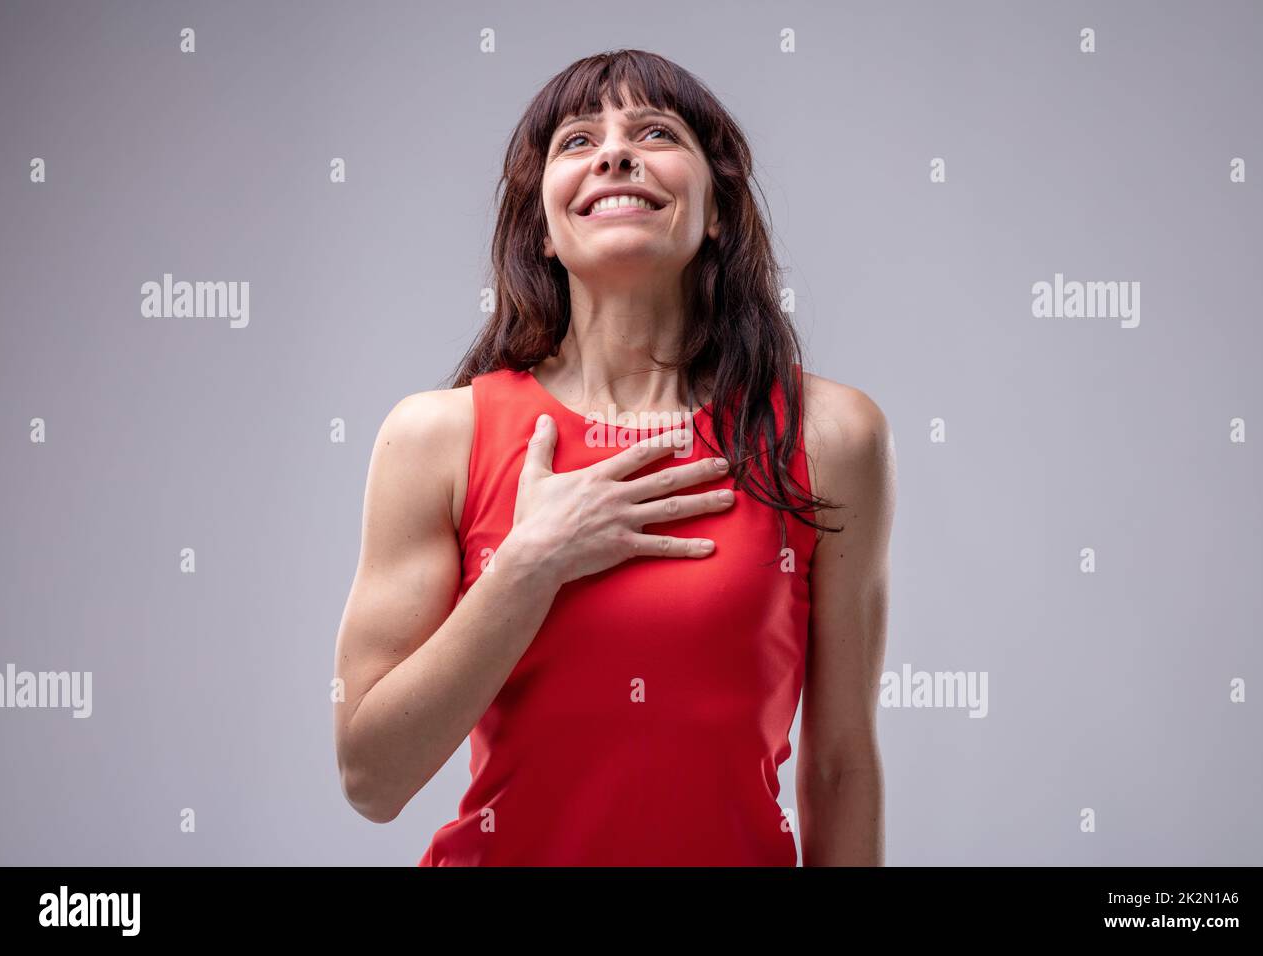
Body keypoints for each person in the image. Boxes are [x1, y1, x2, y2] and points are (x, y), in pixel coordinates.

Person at [332, 49, 896, 866]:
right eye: (577, 140)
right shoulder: (436, 438)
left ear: (716, 214)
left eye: (656, 131)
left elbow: (841, 765)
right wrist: (530, 565)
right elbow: (370, 776)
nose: (614, 152)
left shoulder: (829, 435)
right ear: (546, 230)